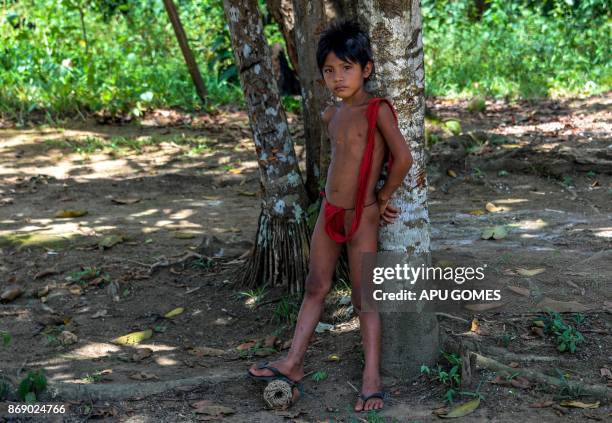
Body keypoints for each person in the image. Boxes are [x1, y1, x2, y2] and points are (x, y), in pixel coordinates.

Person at [249, 19, 414, 412]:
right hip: (328, 211)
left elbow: (403, 158)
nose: (337, 77)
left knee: (363, 299)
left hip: (364, 215)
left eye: (346, 68)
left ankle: (371, 380)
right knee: (315, 285)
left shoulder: (378, 110)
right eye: (329, 70)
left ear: (366, 69)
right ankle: (292, 363)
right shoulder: (332, 115)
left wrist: (384, 195)